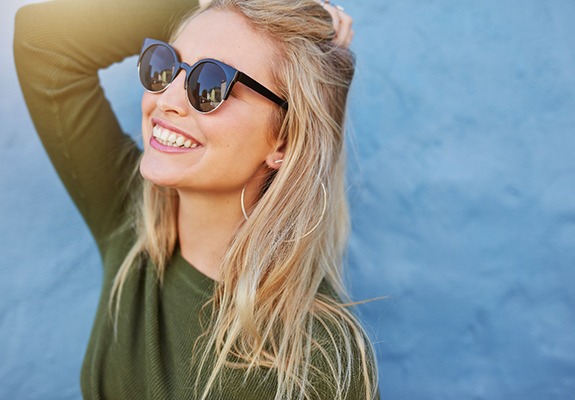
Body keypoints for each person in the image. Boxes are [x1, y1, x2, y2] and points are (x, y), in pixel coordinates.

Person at [14, 0, 379, 398]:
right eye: (166, 63)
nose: (167, 99)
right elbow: (41, 41)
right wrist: (205, 4)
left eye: (210, 85)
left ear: (286, 140)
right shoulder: (133, 226)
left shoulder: (321, 359)